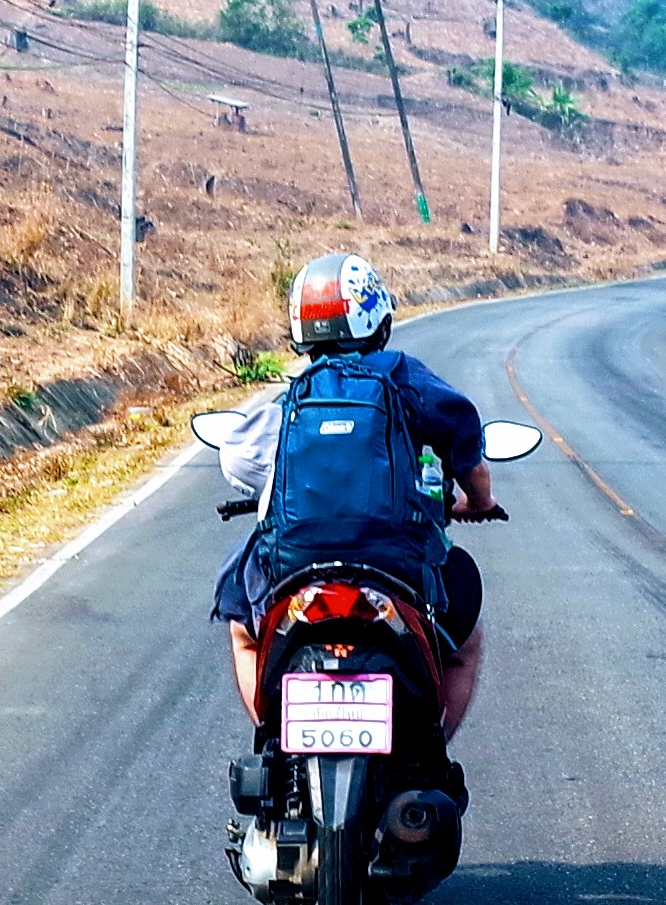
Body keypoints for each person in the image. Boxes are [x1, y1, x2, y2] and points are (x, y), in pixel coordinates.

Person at [211, 252, 507, 747]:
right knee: (465, 643)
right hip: (395, 564)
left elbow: (236, 459)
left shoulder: (296, 396)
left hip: (296, 565)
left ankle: (271, 739)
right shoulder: (404, 378)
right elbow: (466, 441)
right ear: (379, 320)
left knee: (243, 628)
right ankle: (431, 747)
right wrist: (479, 501)